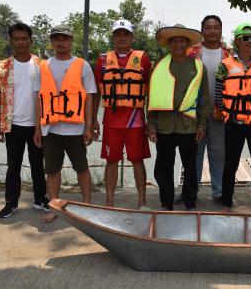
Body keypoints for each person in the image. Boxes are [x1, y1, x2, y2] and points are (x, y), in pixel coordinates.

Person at [33, 24, 97, 223]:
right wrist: (37, 128)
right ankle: (55, 208)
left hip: (76, 129)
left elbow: (89, 97)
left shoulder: (82, 65)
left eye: (65, 39)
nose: (61, 43)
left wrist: (88, 126)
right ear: (52, 42)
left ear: (71, 41)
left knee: (82, 168)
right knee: (52, 171)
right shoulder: (43, 66)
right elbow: (38, 98)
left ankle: (86, 204)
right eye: (57, 39)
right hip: (51, 129)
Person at [147, 24, 209, 211]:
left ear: (188, 44)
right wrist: (150, 124)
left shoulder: (198, 67)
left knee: (190, 166)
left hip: (189, 125)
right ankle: (167, 202)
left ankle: (190, 201)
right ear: (169, 44)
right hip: (164, 125)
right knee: (163, 167)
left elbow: (204, 98)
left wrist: (202, 124)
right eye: (174, 40)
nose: (178, 44)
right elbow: (151, 96)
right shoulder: (158, 66)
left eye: (182, 40)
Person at [0, 22, 48, 218]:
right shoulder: (3, 67)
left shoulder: (41, 65)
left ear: (30, 40)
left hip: (37, 125)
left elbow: (47, 96)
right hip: (13, 125)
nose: (21, 42)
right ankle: (11, 202)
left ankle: (41, 199)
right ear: (11, 40)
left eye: (24, 38)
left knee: (38, 164)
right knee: (13, 165)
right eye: (16, 38)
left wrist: (43, 125)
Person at [93, 19, 151, 209]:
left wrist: (150, 121)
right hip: (111, 121)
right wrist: (92, 120)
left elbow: (150, 91)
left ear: (132, 37)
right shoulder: (102, 60)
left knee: (137, 161)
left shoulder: (143, 58)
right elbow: (97, 93)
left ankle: (142, 201)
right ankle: (109, 201)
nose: (122, 37)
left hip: (135, 120)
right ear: (113, 37)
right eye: (118, 34)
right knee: (111, 161)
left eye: (126, 34)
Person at [216, 23, 251, 214]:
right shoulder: (224, 65)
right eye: (245, 38)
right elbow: (218, 91)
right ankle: (226, 203)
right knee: (230, 165)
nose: (250, 42)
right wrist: (225, 109)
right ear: (237, 41)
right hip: (234, 123)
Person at [178, 15, 230, 205]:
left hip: (220, 111)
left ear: (221, 30)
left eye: (216, 27)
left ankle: (219, 192)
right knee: (193, 153)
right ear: (202, 30)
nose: (212, 31)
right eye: (208, 28)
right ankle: (190, 191)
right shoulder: (191, 53)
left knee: (218, 153)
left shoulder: (229, 55)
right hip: (194, 112)